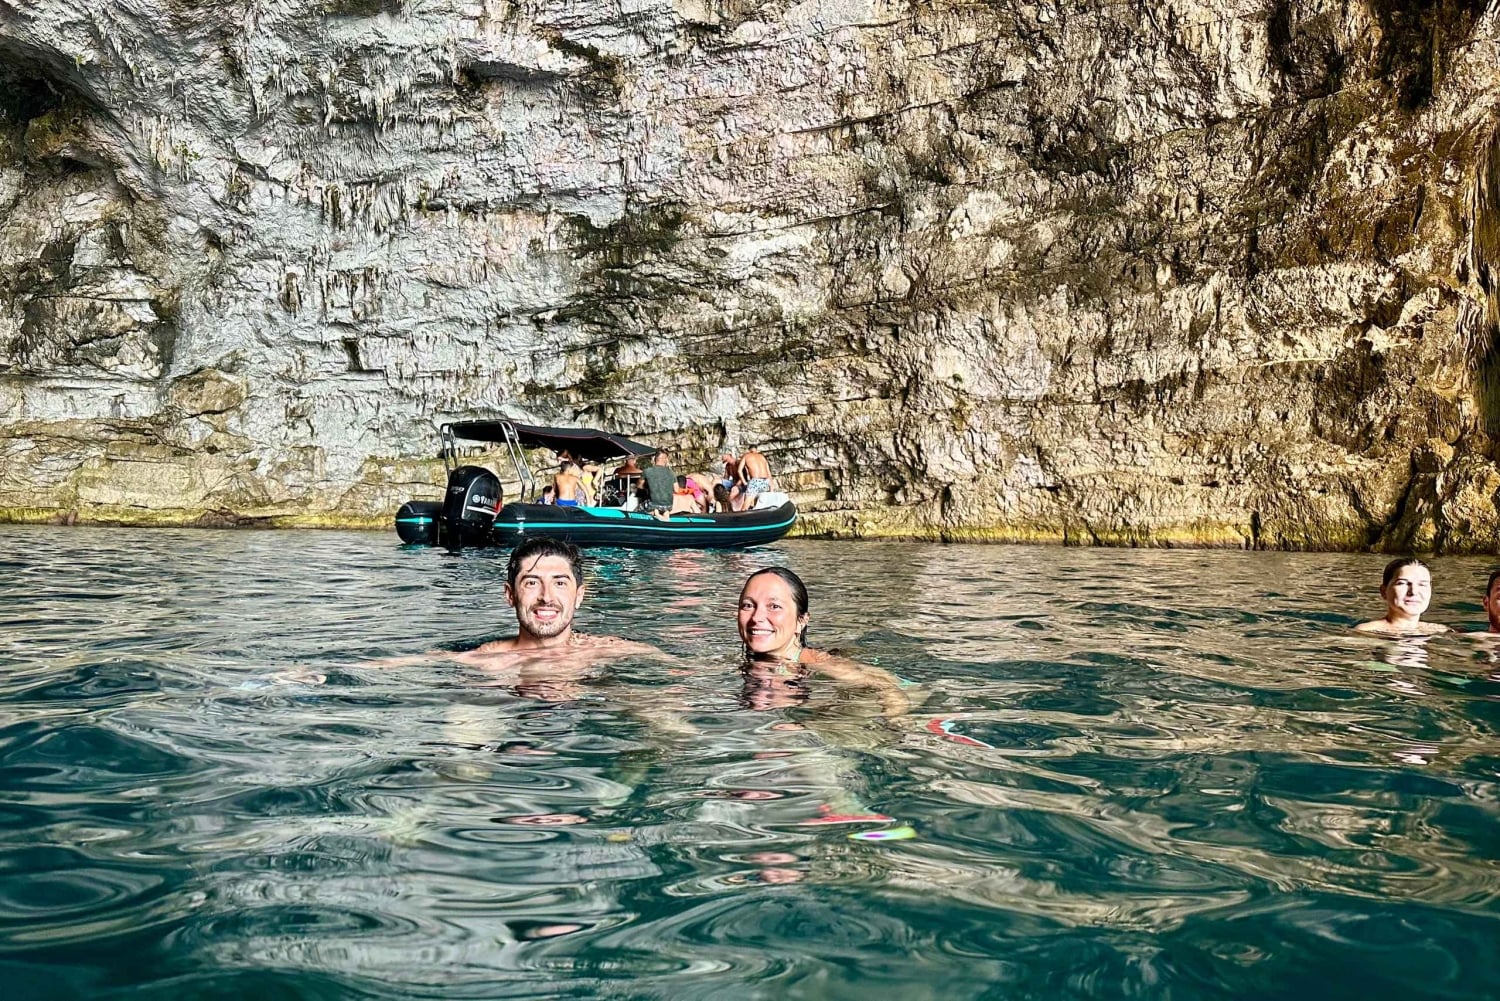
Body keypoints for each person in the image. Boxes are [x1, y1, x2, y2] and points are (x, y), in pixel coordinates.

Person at [451, 537, 658, 663]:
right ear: (510, 595)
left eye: (559, 583)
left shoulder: (617, 652)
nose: (546, 597)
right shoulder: (482, 661)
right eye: (532, 583)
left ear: (579, 595)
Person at [737, 567, 908, 716]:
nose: (757, 617)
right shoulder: (744, 661)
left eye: (774, 606)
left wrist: (894, 721)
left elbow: (887, 688)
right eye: (748, 606)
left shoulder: (817, 662)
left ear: (801, 621)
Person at [1354, 557, 1449, 635]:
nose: (1414, 592)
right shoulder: (1366, 632)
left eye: (1422, 584)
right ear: (1384, 592)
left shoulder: (1442, 631)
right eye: (1402, 583)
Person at [641, 450, 677, 521]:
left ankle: (655, 512)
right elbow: (677, 490)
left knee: (637, 509)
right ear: (666, 460)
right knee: (665, 508)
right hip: (668, 506)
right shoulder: (671, 473)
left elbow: (639, 486)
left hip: (652, 504)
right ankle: (665, 513)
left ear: (655, 459)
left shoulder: (647, 471)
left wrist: (647, 486)